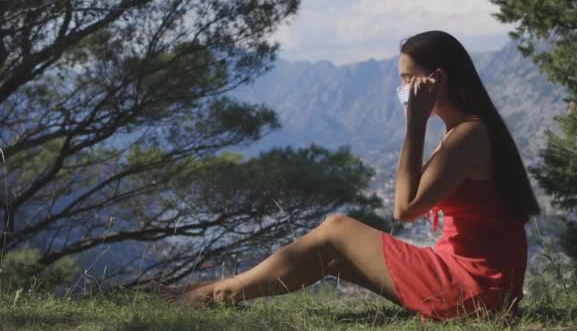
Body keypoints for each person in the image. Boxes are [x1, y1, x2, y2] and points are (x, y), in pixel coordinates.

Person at [148, 30, 540, 321]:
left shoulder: (469, 135)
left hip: (476, 292)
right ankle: (211, 293)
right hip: (474, 283)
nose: (402, 88)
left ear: (437, 78)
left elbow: (405, 208)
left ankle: (212, 295)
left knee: (335, 228)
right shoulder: (465, 131)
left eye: (408, 78)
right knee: (331, 256)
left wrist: (415, 122)